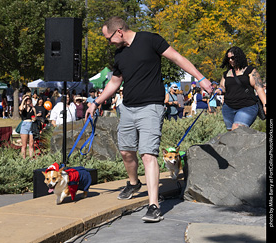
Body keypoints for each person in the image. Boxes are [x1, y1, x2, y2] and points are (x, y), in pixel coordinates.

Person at [85, 16, 212, 222]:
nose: (108, 42)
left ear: (119, 32)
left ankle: (153, 205)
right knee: (126, 152)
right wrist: (96, 102)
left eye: (108, 38)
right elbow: (115, 83)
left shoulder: (150, 40)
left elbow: (178, 58)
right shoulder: (120, 55)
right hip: (127, 108)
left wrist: (201, 78)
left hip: (151, 107)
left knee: (147, 154)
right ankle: (134, 183)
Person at [215, 46, 266, 131]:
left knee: (237, 129)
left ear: (239, 57)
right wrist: (219, 90)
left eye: (233, 58)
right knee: (231, 133)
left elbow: (259, 88)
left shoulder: (250, 71)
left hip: (247, 107)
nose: (230, 60)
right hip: (228, 108)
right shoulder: (226, 73)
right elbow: (223, 87)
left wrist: (265, 105)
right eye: (228, 58)